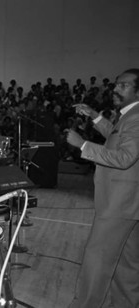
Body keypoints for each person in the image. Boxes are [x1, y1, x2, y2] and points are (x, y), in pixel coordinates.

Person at [67, 68, 139, 308]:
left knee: (96, 260)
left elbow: (125, 157)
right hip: (129, 204)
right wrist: (95, 116)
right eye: (117, 84)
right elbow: (116, 136)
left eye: (124, 86)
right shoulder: (130, 115)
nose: (116, 89)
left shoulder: (137, 116)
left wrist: (83, 145)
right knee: (126, 264)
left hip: (119, 202)